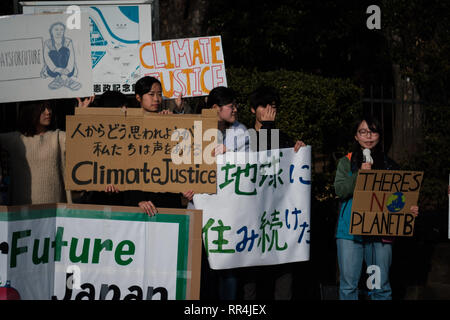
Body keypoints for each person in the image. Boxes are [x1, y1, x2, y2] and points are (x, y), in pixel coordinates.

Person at [333, 116, 419, 300]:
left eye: (373, 131)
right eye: (363, 132)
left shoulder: (390, 166)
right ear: (356, 136)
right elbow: (340, 190)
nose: (368, 136)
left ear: (379, 135)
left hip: (380, 232)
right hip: (350, 233)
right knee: (349, 287)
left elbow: (399, 199)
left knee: (379, 286)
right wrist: (360, 175)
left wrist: (408, 211)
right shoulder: (346, 162)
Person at [240, 85, 306, 300]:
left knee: (283, 268)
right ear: (252, 110)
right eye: (263, 106)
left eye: (273, 106)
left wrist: (299, 152)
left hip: (278, 215)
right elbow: (259, 159)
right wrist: (267, 127)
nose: (269, 111)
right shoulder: (243, 137)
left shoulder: (284, 138)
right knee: (250, 271)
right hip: (251, 214)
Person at [184, 86, 250, 300]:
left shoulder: (242, 133)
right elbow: (184, 165)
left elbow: (249, 166)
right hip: (199, 208)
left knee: (227, 264)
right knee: (199, 265)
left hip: (228, 212)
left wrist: (229, 155)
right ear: (215, 108)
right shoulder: (195, 129)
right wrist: (186, 186)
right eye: (231, 106)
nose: (235, 110)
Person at [0, 100, 71, 205]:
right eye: (42, 108)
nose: (48, 112)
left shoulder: (57, 137)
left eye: (49, 107)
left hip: (54, 212)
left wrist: (82, 114)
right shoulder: (16, 139)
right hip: (23, 211)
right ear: (30, 111)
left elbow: (82, 140)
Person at [41, 22, 81, 91]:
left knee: (63, 50)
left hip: (68, 71)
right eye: (56, 29)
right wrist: (56, 69)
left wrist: (68, 69)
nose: (59, 32)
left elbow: (72, 58)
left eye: (61, 30)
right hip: (53, 71)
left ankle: (60, 80)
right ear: (51, 31)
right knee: (53, 53)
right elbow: (46, 59)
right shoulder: (47, 43)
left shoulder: (68, 41)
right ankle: (67, 80)